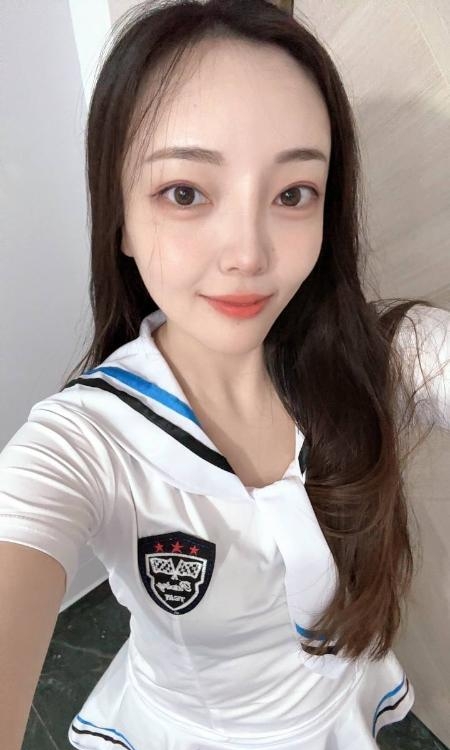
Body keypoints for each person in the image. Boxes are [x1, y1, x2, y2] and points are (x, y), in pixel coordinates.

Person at [0, 1, 449, 748]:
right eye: (185, 193)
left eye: (292, 194)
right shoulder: (82, 444)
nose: (248, 254)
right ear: (120, 217)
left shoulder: (380, 354)